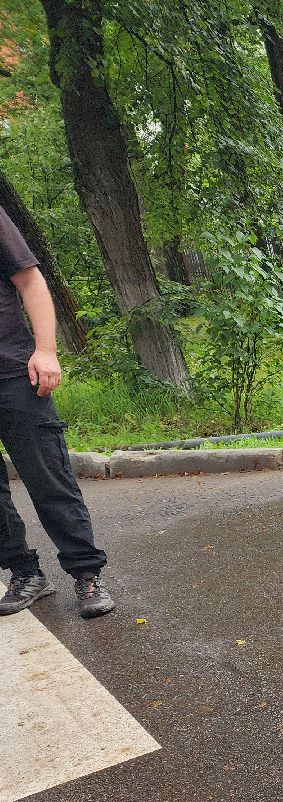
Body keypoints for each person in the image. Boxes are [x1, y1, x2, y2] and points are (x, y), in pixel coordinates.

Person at [0, 207, 114, 620]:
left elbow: (29, 279)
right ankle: (25, 573)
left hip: (12, 369)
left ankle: (86, 574)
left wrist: (46, 350)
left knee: (48, 476)